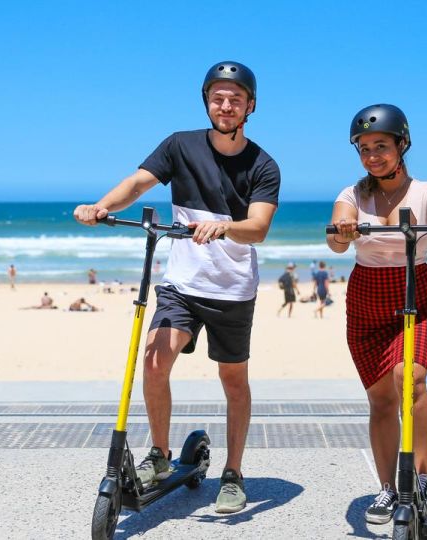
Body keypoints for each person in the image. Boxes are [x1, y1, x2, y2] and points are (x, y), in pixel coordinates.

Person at [72, 61, 279, 514]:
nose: (226, 105)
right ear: (207, 101)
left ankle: (234, 472)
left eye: (235, 99)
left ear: (250, 106)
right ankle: (161, 456)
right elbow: (137, 183)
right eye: (218, 97)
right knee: (153, 360)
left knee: (233, 381)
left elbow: (258, 228)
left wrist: (225, 227)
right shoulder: (179, 145)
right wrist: (100, 206)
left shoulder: (263, 164)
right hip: (181, 283)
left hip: (232, 290)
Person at [327, 103, 427, 524]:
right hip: (365, 302)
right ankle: (386, 488)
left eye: (380, 145)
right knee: (380, 401)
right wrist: (344, 232)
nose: (372, 155)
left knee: (410, 378)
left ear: (402, 144)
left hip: (415, 297)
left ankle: (420, 478)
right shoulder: (352, 195)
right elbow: (336, 242)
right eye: (363, 148)